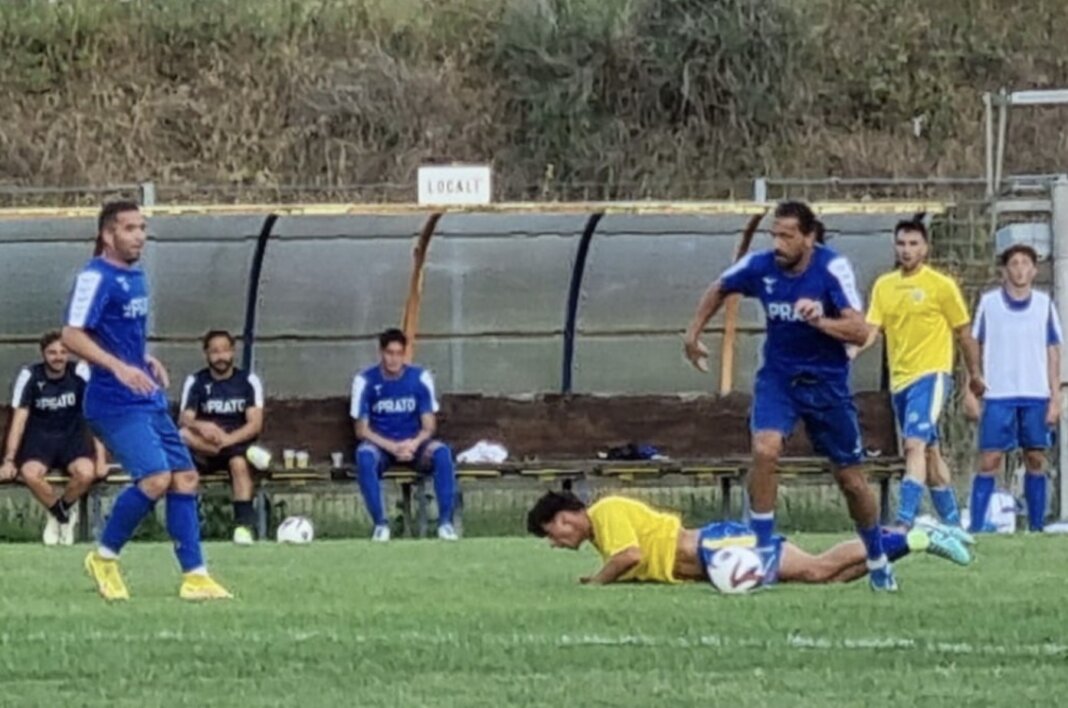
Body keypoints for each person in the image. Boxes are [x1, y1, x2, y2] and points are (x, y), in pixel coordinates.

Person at [683, 200, 945, 592]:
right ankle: (763, 548)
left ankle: (877, 558)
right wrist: (693, 334)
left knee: (852, 482)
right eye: (775, 234)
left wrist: (819, 319)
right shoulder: (760, 267)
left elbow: (860, 332)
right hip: (779, 380)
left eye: (787, 236)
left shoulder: (831, 269)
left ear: (808, 238)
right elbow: (720, 286)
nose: (778, 243)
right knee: (765, 449)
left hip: (827, 386)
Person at [62, 200, 230, 601]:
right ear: (108, 235)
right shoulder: (95, 277)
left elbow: (114, 334)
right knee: (155, 478)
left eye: (142, 227)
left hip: (145, 397)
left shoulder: (135, 277)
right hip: (112, 402)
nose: (140, 235)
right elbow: (71, 335)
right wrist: (118, 367)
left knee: (185, 477)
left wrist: (142, 360)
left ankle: (195, 576)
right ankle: (104, 557)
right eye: (130, 228)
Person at [526, 492, 970, 587]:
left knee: (816, 567)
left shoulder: (605, 514)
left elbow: (631, 555)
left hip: (715, 549)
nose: (556, 542)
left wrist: (595, 583)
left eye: (554, 532)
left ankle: (919, 535)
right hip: (712, 561)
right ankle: (909, 538)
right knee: (827, 579)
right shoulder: (603, 530)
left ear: (568, 516)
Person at [859, 220, 983, 534]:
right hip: (901, 382)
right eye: (902, 244)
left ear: (925, 248)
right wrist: (846, 351)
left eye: (914, 244)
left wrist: (974, 376)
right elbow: (871, 330)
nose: (907, 250)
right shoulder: (884, 286)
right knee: (929, 452)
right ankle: (954, 524)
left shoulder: (941, 286)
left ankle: (903, 521)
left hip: (932, 375)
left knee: (913, 445)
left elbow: (964, 333)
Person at [964, 244, 1061, 533]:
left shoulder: (1044, 305)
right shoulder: (990, 303)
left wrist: (1056, 396)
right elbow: (973, 345)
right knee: (990, 458)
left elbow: (1054, 349)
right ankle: (978, 527)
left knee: (1035, 457)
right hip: (998, 394)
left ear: (1034, 270)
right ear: (1005, 270)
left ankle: (1035, 527)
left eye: (1025, 264)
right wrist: (971, 387)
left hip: (1035, 393)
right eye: (1014, 263)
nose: (1019, 269)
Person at [350, 328, 457, 542]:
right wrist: (393, 447)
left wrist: (413, 443)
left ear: (405, 354)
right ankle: (381, 525)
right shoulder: (364, 381)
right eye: (390, 353)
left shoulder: (420, 378)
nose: (394, 359)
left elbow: (429, 426)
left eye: (399, 353)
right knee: (364, 456)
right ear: (381, 353)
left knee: (442, 453)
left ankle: (446, 524)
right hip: (382, 447)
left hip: (414, 445)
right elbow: (361, 430)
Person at [0, 331, 107, 545]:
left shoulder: (80, 373)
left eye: (63, 352)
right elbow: (18, 420)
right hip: (40, 439)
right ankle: (62, 515)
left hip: (72, 438)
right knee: (30, 474)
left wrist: (101, 458)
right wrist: (9, 460)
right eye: (52, 352)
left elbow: (97, 416)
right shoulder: (30, 375)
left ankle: (60, 510)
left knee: (86, 473)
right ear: (43, 354)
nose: (58, 357)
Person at [179, 329, 265, 545]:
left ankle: (243, 527)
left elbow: (255, 424)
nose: (221, 357)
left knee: (238, 463)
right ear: (206, 354)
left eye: (225, 351)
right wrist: (203, 425)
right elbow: (184, 419)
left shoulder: (248, 381)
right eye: (215, 351)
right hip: (203, 449)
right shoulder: (196, 381)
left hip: (234, 445)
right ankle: (184, 530)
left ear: (233, 352)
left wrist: (228, 440)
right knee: (182, 436)